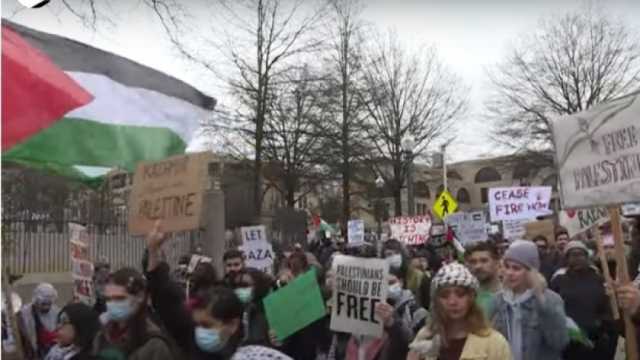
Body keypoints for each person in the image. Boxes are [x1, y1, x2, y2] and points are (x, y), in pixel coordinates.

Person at [145, 222, 292, 360]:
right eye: (199, 325)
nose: (200, 332)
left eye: (207, 325)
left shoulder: (258, 351)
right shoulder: (193, 343)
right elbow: (165, 300)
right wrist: (153, 251)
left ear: (232, 325)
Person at [407, 263, 511, 360]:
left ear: (471, 298)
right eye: (444, 295)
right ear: (436, 301)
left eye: (460, 294)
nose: (452, 302)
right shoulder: (425, 336)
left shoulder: (494, 342)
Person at [489, 240, 569, 360]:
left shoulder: (550, 299)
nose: (509, 273)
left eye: (516, 268)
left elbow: (559, 342)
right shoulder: (499, 300)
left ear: (530, 272)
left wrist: (542, 301)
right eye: (507, 267)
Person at [550, 240, 617, 360]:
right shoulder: (558, 280)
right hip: (571, 342)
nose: (577, 258)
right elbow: (553, 308)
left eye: (581, 254)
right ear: (567, 258)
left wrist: (602, 325)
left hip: (597, 341)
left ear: (587, 257)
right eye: (573, 255)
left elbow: (608, 307)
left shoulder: (599, 278)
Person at [92, 267, 176, 360]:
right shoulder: (102, 336)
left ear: (139, 297)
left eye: (120, 298)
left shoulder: (154, 344)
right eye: (108, 299)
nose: (112, 304)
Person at [18, 283, 61, 359]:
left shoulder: (56, 311)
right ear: (36, 300)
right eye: (44, 304)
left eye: (49, 304)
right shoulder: (26, 313)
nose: (46, 307)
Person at [463, 242, 501, 316]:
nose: (478, 266)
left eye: (484, 261)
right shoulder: (466, 297)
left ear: (497, 263)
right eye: (473, 262)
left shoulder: (510, 296)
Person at [388, 268, 428, 336]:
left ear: (401, 282)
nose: (388, 287)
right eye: (383, 284)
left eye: (391, 283)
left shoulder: (417, 312)